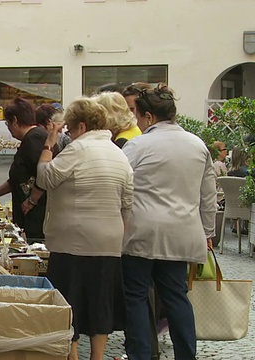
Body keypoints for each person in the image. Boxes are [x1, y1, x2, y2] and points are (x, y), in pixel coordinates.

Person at [121, 84, 215, 360]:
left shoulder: (138, 145)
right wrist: (207, 231)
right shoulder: (198, 145)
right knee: (176, 297)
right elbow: (208, 195)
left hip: (142, 230)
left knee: (136, 296)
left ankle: (141, 354)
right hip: (182, 232)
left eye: (137, 115)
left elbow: (123, 184)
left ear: (148, 117)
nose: (137, 122)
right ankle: (186, 355)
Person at [36, 97, 133, 360]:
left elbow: (45, 178)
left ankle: (73, 354)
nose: (67, 132)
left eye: (68, 127)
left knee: (71, 299)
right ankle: (98, 356)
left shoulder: (78, 150)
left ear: (81, 125)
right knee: (101, 300)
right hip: (109, 241)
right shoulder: (118, 153)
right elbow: (128, 202)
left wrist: (49, 145)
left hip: (73, 240)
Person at [0, 98, 48, 240]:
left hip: (37, 215)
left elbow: (45, 173)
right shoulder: (29, 139)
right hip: (30, 214)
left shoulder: (34, 139)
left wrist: (32, 201)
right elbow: (16, 179)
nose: (8, 128)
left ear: (15, 120)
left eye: (7, 123)